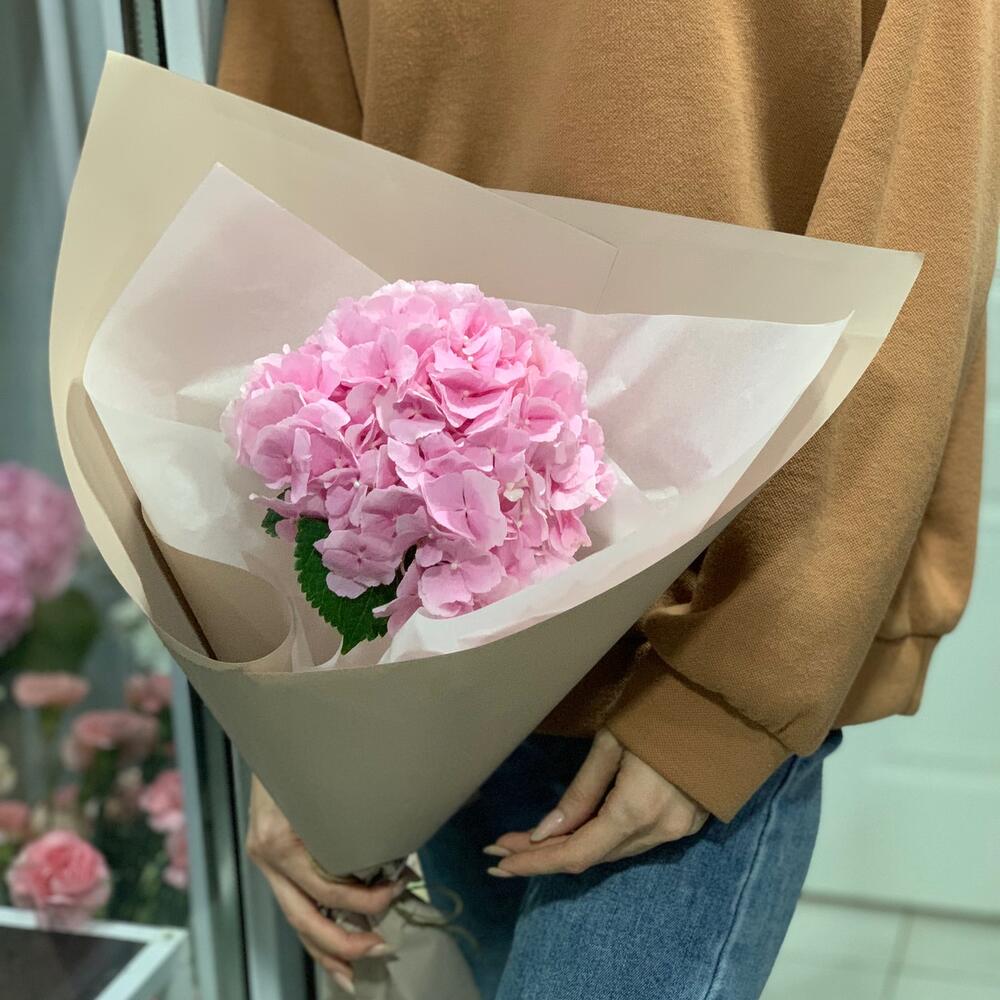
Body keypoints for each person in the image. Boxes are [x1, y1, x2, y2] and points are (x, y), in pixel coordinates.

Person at [219, 2, 998, 997]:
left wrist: (725, 694)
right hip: (415, 631)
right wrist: (289, 696)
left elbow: (920, 204)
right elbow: (283, 169)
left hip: (699, 618)